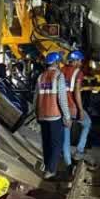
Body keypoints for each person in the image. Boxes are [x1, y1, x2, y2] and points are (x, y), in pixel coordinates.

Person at [35, 52, 72, 180]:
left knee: (46, 143)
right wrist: (67, 116)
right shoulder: (58, 76)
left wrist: (37, 115)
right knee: (56, 144)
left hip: (42, 115)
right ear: (57, 63)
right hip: (54, 116)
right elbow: (62, 98)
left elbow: (36, 98)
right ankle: (51, 171)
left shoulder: (41, 76)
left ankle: (47, 167)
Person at [61, 50, 92, 168]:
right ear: (76, 60)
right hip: (73, 107)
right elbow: (77, 92)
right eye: (80, 60)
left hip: (62, 108)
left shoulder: (61, 70)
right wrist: (80, 109)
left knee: (66, 135)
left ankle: (68, 164)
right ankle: (79, 151)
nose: (81, 63)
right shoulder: (78, 73)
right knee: (87, 123)